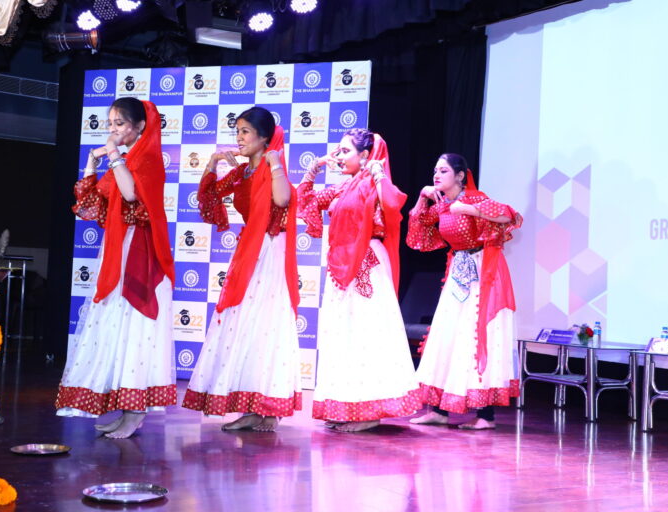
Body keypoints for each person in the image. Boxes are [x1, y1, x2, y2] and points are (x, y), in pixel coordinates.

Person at [56, 98, 177, 439]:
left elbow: (131, 193)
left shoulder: (148, 158)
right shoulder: (121, 161)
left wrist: (112, 153)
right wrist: (91, 162)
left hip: (141, 254)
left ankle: (135, 412)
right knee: (117, 327)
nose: (113, 130)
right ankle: (126, 410)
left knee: (135, 328)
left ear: (140, 127)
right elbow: (90, 206)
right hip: (118, 250)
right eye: (110, 124)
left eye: (120, 124)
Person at [181, 107, 300, 432]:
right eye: (237, 131)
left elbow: (282, 200)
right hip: (248, 251)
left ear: (264, 137)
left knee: (265, 326)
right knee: (243, 326)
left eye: (245, 131)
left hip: (269, 254)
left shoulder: (272, 166)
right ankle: (250, 407)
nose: (239, 138)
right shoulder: (242, 173)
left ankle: (268, 409)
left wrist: (275, 163)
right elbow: (208, 198)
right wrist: (212, 163)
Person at [298, 128, 422, 433]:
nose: (339, 156)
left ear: (365, 155)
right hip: (341, 265)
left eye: (346, 151)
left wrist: (378, 174)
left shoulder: (373, 183)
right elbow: (306, 202)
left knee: (367, 333)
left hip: (367, 263)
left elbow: (393, 204)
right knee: (343, 335)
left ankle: (369, 412)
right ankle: (347, 406)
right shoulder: (343, 187)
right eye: (338, 151)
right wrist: (314, 168)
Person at [406, 153, 522, 429]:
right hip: (458, 271)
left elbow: (509, 215)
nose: (436, 175)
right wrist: (422, 197)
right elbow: (417, 232)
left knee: (474, 336)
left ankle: (485, 415)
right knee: (446, 335)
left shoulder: (473, 198)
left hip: (483, 272)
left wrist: (471, 210)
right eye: (435, 171)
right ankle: (438, 411)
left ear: (460, 176)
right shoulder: (442, 205)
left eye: (443, 171)